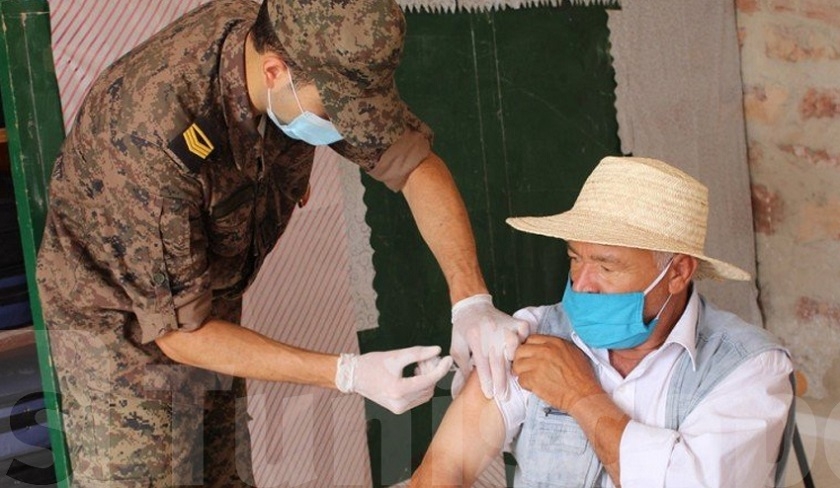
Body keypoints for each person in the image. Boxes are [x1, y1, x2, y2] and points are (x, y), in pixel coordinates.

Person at [35, 0, 528, 485]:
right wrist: (348, 374)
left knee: (220, 471)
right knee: (143, 476)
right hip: (112, 321)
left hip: (206, 293)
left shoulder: (313, 33)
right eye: (333, 111)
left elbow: (415, 164)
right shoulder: (154, 133)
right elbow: (181, 334)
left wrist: (472, 301)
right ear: (273, 72)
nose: (345, 129)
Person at [411, 156, 794, 488]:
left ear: (678, 272)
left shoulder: (749, 369)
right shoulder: (533, 334)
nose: (582, 284)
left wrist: (579, 395)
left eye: (607, 266)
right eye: (576, 258)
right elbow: (446, 466)